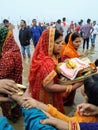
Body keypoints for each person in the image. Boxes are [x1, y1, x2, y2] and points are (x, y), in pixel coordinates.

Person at [28, 28, 83, 113]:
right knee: (50, 116)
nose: (61, 45)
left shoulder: (50, 55)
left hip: (40, 93)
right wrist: (72, 87)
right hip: (47, 98)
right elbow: (49, 87)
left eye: (61, 42)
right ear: (48, 43)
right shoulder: (46, 62)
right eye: (57, 43)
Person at [0, 26, 22, 122]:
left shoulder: (7, 56)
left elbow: (1, 75)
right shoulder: (15, 50)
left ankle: (12, 120)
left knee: (8, 107)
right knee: (16, 104)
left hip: (7, 88)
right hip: (17, 84)